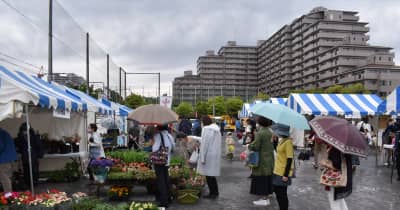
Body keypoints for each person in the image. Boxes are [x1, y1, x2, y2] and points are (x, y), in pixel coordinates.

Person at [247, 116, 274, 206]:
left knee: (262, 178)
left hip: (262, 158)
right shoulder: (270, 131)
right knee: (268, 176)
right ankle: (269, 193)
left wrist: (249, 146)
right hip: (270, 157)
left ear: (260, 123)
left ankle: (264, 198)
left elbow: (256, 146)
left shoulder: (260, 132)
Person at [320, 145, 353, 210]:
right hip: (343, 178)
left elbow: (337, 164)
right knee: (340, 201)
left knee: (334, 203)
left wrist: (325, 163)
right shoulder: (345, 147)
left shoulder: (336, 147)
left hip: (335, 180)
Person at [197, 115, 222, 199]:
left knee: (208, 175)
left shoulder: (206, 129)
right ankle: (215, 192)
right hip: (215, 153)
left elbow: (204, 143)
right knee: (212, 175)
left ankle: (212, 193)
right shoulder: (216, 129)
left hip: (208, 154)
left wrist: (202, 157)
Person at [152, 124, 175, 208]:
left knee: (161, 181)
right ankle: (169, 198)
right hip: (167, 160)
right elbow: (173, 147)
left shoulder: (158, 135)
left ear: (159, 127)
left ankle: (163, 202)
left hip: (159, 161)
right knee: (166, 180)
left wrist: (152, 144)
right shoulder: (169, 135)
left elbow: (155, 148)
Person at [272, 123, 294, 210]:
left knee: (282, 194)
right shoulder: (282, 140)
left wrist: (286, 174)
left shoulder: (288, 142)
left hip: (283, 172)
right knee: (278, 192)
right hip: (277, 170)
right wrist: (274, 141)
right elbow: (278, 151)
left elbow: (289, 159)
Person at [16, 123, 42, 189]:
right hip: (25, 156)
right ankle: (28, 183)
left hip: (33, 156)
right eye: (23, 130)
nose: (25, 131)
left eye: (26, 130)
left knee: (34, 170)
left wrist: (39, 155)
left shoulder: (34, 136)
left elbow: (39, 146)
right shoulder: (20, 137)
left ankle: (34, 182)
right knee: (26, 170)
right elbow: (19, 146)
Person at [0, 128, 17, 193]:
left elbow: (0, 146)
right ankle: (9, 195)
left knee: (4, 177)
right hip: (10, 158)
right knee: (8, 177)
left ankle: (8, 196)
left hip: (3, 159)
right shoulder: (4, 132)